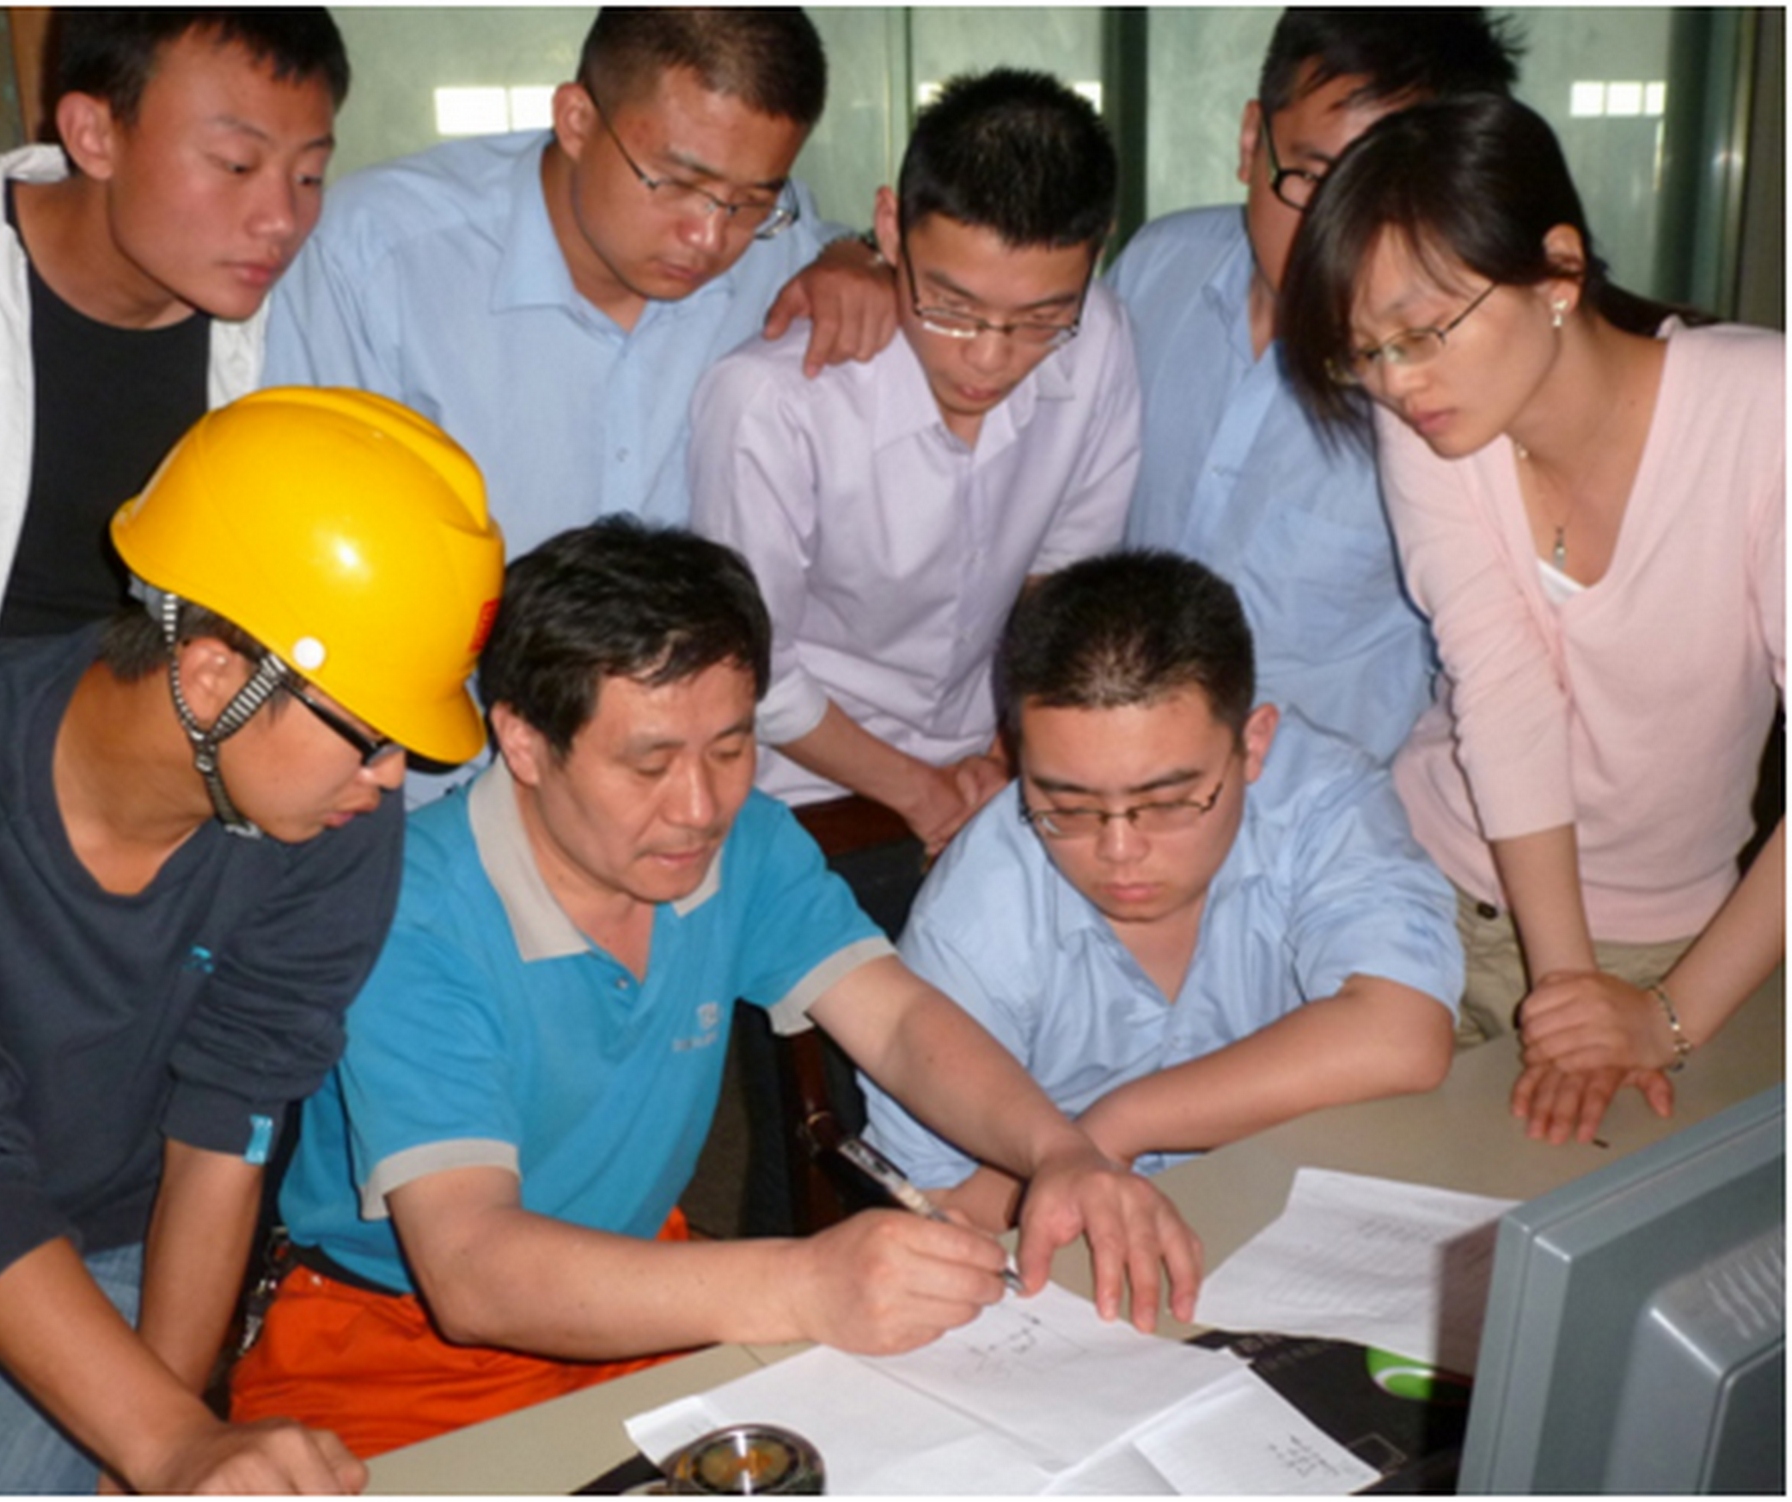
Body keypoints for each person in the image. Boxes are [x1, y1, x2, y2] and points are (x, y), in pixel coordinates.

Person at [228, 518, 1202, 1461]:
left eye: (731, 750)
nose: (699, 808)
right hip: (389, 1342)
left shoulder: (746, 846)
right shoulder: (412, 906)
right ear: (521, 741)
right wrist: (806, 1282)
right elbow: (472, 1271)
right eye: (649, 763)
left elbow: (899, 1021)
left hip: (644, 1285)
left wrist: (1056, 1150)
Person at [0, 388, 505, 1494]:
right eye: (373, 735)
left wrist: (163, 1441)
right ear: (217, 672)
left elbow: (229, 1126)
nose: (390, 781)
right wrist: (169, 1439)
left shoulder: (325, 822)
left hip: (109, 1255)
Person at [1276, 93, 1784, 1145]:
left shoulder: (1761, 415)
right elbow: (1501, 693)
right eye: (1363, 352)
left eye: (1421, 332)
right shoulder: (1433, 424)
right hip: (1420, 884)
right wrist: (1563, 998)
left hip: (1661, 942)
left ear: (1557, 271)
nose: (1397, 383)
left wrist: (1662, 1016)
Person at [859, 550, 1460, 1222]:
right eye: (1069, 806)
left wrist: (1117, 1127)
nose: (1119, 852)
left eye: (1168, 802)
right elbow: (937, 1196)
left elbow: (1403, 1033)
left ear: (1254, 744)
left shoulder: (1320, 798)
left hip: (1298, 1196)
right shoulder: (975, 914)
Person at [0, 10, 349, 693]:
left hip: (161, 749)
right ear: (93, 135)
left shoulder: (311, 317)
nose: (281, 220)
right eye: (236, 164)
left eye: (309, 176)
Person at [690, 68, 1136, 880]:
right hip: (799, 797)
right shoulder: (775, 403)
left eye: (1040, 319)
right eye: (951, 308)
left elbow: (1065, 583)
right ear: (890, 228)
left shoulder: (1099, 334)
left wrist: (1006, 752)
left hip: (994, 768)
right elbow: (755, 671)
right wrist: (924, 795)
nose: (990, 358)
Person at [261, 7, 896, 570]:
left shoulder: (776, 241)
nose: (708, 237)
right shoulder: (377, 258)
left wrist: (863, 256)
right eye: (677, 183)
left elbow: (846, 247)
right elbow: (307, 532)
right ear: (576, 121)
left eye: (751, 200)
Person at [1104, 8, 1519, 764]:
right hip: (1105, 765)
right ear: (1250, 142)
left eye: (1381, 197)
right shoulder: (1155, 270)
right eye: (1311, 176)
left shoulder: (1451, 389)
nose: (1335, 231)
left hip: (1310, 807)